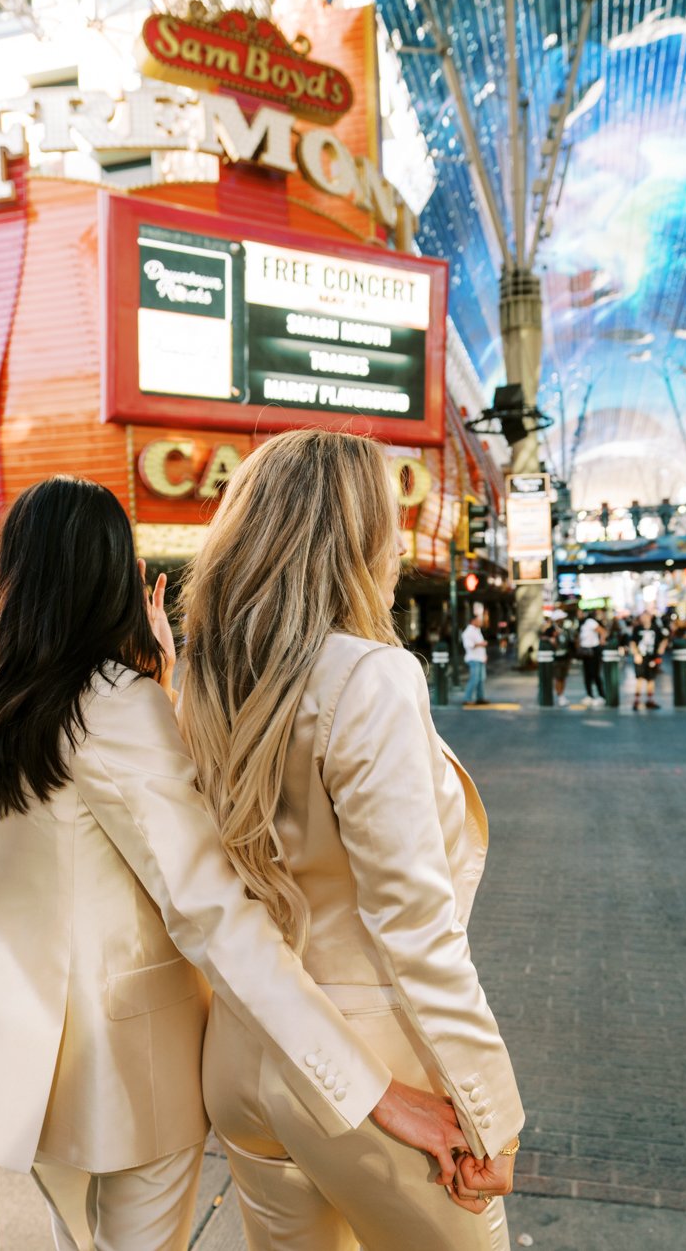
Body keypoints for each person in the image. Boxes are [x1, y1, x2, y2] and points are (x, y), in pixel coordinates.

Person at [0, 476, 467, 1251]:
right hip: (135, 1064)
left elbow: (65, 826)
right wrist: (369, 1088)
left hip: (22, 1057)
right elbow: (214, 914)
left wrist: (152, 690)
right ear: (114, 579)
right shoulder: (110, 703)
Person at [178, 431, 524, 1251]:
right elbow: (416, 930)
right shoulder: (368, 676)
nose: (398, 543)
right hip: (377, 1071)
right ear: (356, 536)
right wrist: (490, 1107)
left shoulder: (208, 683)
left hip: (242, 1058)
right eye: (387, 521)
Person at [630, 611, 669, 711]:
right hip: (641, 657)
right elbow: (632, 642)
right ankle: (637, 700)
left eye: (646, 617)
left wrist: (660, 651)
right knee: (639, 678)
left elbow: (664, 639)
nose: (644, 619)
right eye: (642, 617)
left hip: (652, 657)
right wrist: (636, 654)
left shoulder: (656, 628)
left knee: (651, 679)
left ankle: (650, 700)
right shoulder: (637, 629)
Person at [576, 611, 606, 707]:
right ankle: (590, 695)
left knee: (595, 674)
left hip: (593, 651)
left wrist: (601, 642)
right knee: (587, 674)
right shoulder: (581, 624)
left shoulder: (590, 622)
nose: (578, 615)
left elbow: (602, 632)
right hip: (585, 652)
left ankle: (602, 696)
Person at [462, 610, 489, 706]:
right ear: (473, 621)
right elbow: (468, 645)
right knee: (475, 678)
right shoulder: (468, 632)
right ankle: (467, 698)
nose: (480, 622)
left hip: (480, 658)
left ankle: (480, 697)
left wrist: (484, 655)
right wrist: (481, 644)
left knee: (481, 679)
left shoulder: (477, 631)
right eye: (478, 620)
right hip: (474, 659)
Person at [548, 610, 573, 707]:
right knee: (558, 677)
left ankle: (562, 694)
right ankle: (560, 696)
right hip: (556, 658)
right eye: (561, 619)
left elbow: (569, 643)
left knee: (563, 677)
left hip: (565, 657)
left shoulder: (565, 630)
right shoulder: (551, 630)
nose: (563, 620)